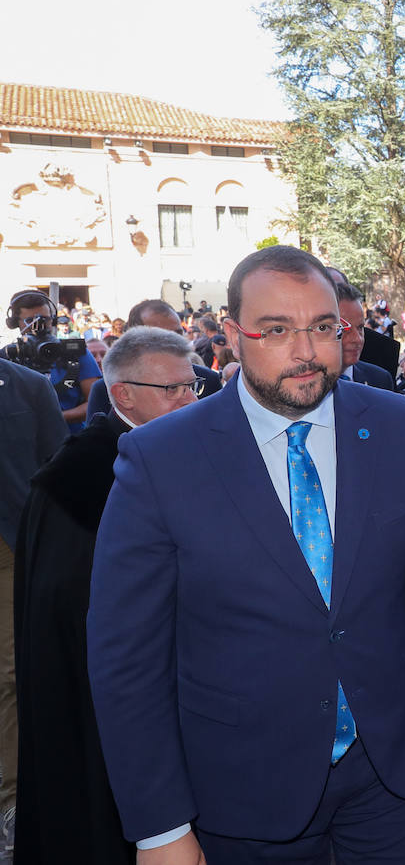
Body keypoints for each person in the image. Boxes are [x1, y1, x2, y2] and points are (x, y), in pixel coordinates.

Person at [86, 245, 405, 862]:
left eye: (324, 328)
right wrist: (161, 824)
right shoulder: (161, 459)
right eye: (276, 330)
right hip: (242, 783)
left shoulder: (400, 430)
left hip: (392, 773)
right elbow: (126, 656)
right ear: (232, 335)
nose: (306, 352)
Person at [13, 327, 198, 864]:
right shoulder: (80, 476)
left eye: (193, 387)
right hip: (101, 696)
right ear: (123, 395)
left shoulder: (172, 451)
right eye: (173, 391)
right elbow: (73, 612)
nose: (188, 400)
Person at [0, 356, 67, 852]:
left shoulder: (27, 387)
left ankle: (11, 803)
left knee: (9, 675)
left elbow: (55, 469)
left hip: (11, 548)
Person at [85, 299, 223, 421]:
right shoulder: (105, 388)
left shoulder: (208, 380)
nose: (172, 343)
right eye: (159, 336)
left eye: (177, 334)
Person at [7, 290, 102, 432]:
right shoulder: (8, 356)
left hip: (70, 439)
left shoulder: (76, 352)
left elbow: (95, 402)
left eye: (45, 319)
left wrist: (54, 417)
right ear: (15, 323)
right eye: (29, 321)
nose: (38, 326)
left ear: (53, 319)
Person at [336, 283, 397, 390]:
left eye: (360, 327)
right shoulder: (303, 383)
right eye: (344, 329)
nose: (357, 339)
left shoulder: (381, 380)